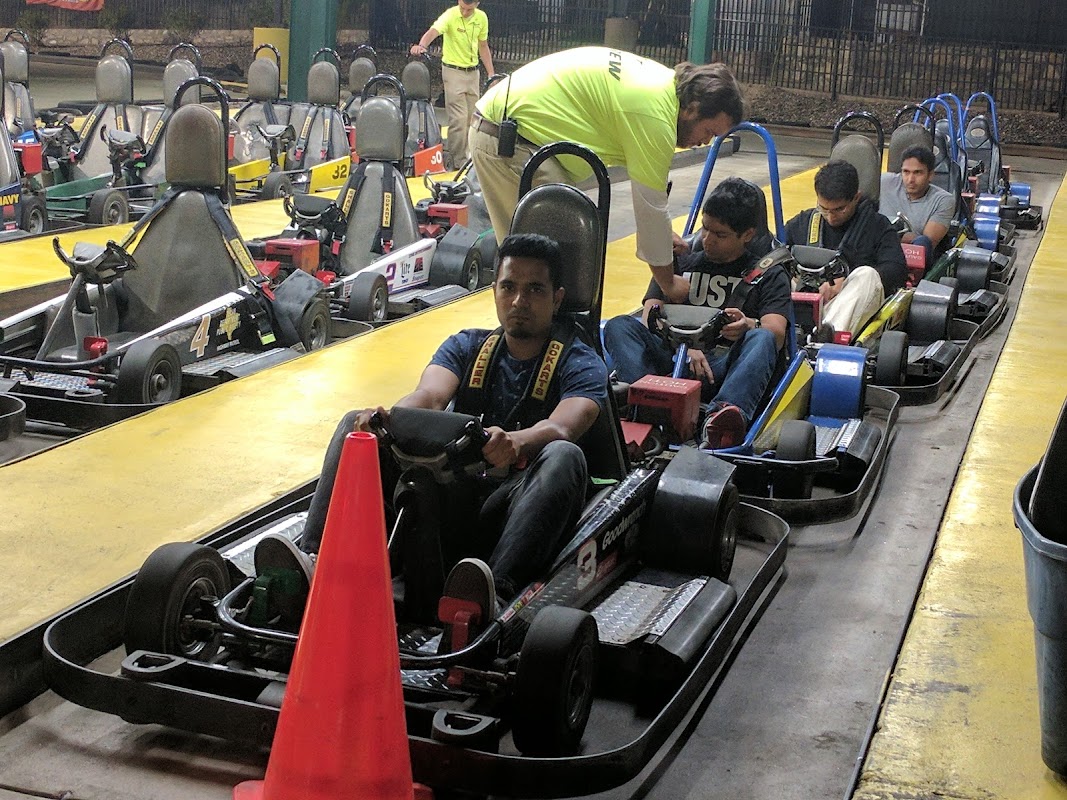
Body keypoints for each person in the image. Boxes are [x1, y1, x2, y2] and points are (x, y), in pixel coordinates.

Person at [256, 233, 607, 639]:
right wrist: (387, 420)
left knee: (564, 454)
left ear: (557, 298)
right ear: (494, 289)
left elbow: (564, 425)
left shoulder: (580, 361)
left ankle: (495, 595)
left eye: (535, 290)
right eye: (509, 287)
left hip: (512, 507)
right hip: (453, 496)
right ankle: (315, 559)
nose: (518, 301)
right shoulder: (467, 345)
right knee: (356, 424)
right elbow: (429, 395)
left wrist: (516, 442)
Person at [468, 47, 743, 299]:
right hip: (509, 139)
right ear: (692, 109)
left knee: (560, 263)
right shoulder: (655, 118)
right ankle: (528, 333)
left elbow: (652, 209)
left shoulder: (662, 88)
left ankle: (545, 330)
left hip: (520, 134)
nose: (705, 142)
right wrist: (668, 282)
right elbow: (651, 209)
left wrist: (661, 236)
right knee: (540, 264)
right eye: (709, 131)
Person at [603, 178, 791, 449]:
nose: (707, 240)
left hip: (723, 367)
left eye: (720, 235)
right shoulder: (681, 263)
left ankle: (722, 418)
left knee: (762, 338)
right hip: (672, 360)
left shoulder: (768, 273)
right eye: (705, 229)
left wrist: (748, 324)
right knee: (619, 325)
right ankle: (644, 401)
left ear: (747, 235)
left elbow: (776, 332)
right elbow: (649, 315)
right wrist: (685, 346)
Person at [785, 160, 907, 336]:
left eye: (839, 209)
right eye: (824, 209)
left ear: (856, 198)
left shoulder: (877, 225)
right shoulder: (803, 223)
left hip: (845, 306)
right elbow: (772, 252)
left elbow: (897, 270)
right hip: (802, 302)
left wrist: (845, 282)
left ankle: (826, 338)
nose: (830, 217)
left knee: (868, 275)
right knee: (773, 270)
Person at [410, 0, 495, 169]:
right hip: (453, 71)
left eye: (469, 9)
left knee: (472, 118)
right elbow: (433, 31)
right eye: (462, 7)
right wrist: (421, 45)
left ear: (477, 4)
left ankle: (469, 156)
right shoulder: (450, 15)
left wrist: (491, 74)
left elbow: (483, 45)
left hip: (473, 72)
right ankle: (458, 161)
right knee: (458, 118)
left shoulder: (482, 18)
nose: (464, 12)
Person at [879, 144, 956, 262]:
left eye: (917, 173)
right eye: (906, 172)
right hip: (875, 251)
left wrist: (883, 234)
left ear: (930, 175)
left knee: (922, 242)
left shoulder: (943, 200)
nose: (910, 179)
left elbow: (925, 245)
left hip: (910, 260)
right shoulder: (884, 182)